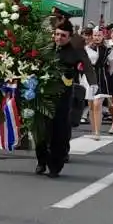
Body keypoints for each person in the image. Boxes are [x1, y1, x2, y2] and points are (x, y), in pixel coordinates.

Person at [35, 20, 88, 177]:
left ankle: (55, 166)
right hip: (44, 97)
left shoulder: (74, 53)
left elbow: (83, 68)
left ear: (69, 37)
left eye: (63, 35)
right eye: (57, 34)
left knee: (59, 133)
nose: (59, 38)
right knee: (42, 132)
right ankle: (41, 161)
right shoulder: (46, 50)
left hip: (62, 99)